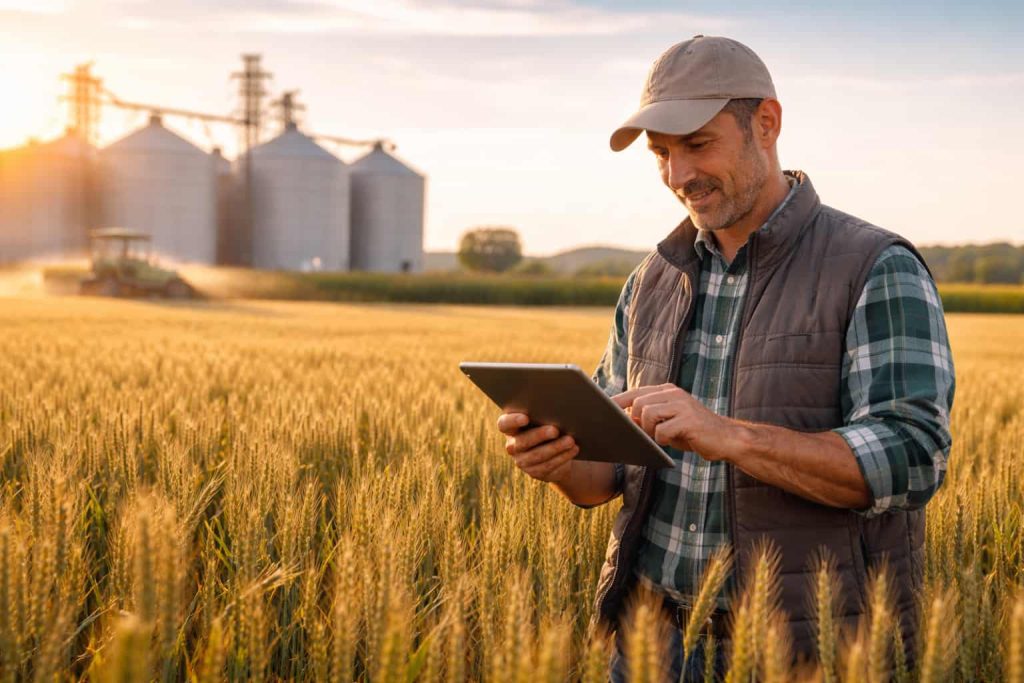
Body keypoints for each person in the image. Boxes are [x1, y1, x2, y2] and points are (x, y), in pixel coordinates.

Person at [496, 35, 955, 681]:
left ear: (765, 123)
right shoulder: (651, 278)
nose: (678, 176)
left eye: (698, 144)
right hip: (647, 640)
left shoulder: (874, 266)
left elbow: (912, 458)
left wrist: (731, 436)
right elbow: (609, 478)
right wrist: (561, 459)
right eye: (661, 154)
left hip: (802, 651)